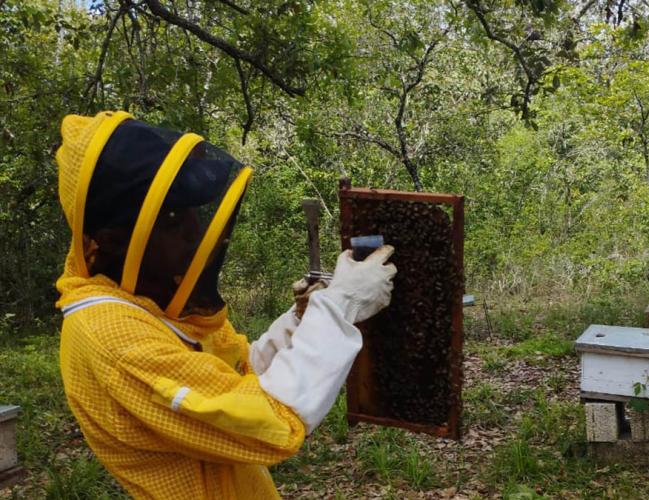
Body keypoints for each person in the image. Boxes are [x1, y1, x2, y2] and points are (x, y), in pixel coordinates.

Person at [54, 110, 397, 499]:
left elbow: (236, 376)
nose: (195, 231)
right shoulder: (113, 338)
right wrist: (340, 305)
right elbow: (269, 421)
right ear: (114, 240)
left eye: (190, 213)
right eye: (171, 220)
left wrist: (301, 320)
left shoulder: (145, 305)